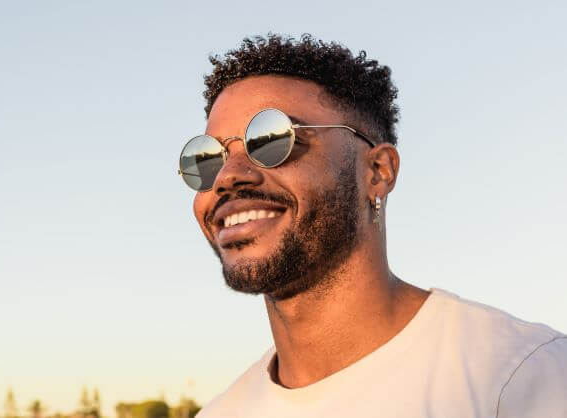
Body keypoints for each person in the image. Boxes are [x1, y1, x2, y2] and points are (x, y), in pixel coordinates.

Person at [177, 34, 567, 417]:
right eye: (208, 158)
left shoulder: (519, 379)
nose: (227, 176)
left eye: (271, 139)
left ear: (377, 171)